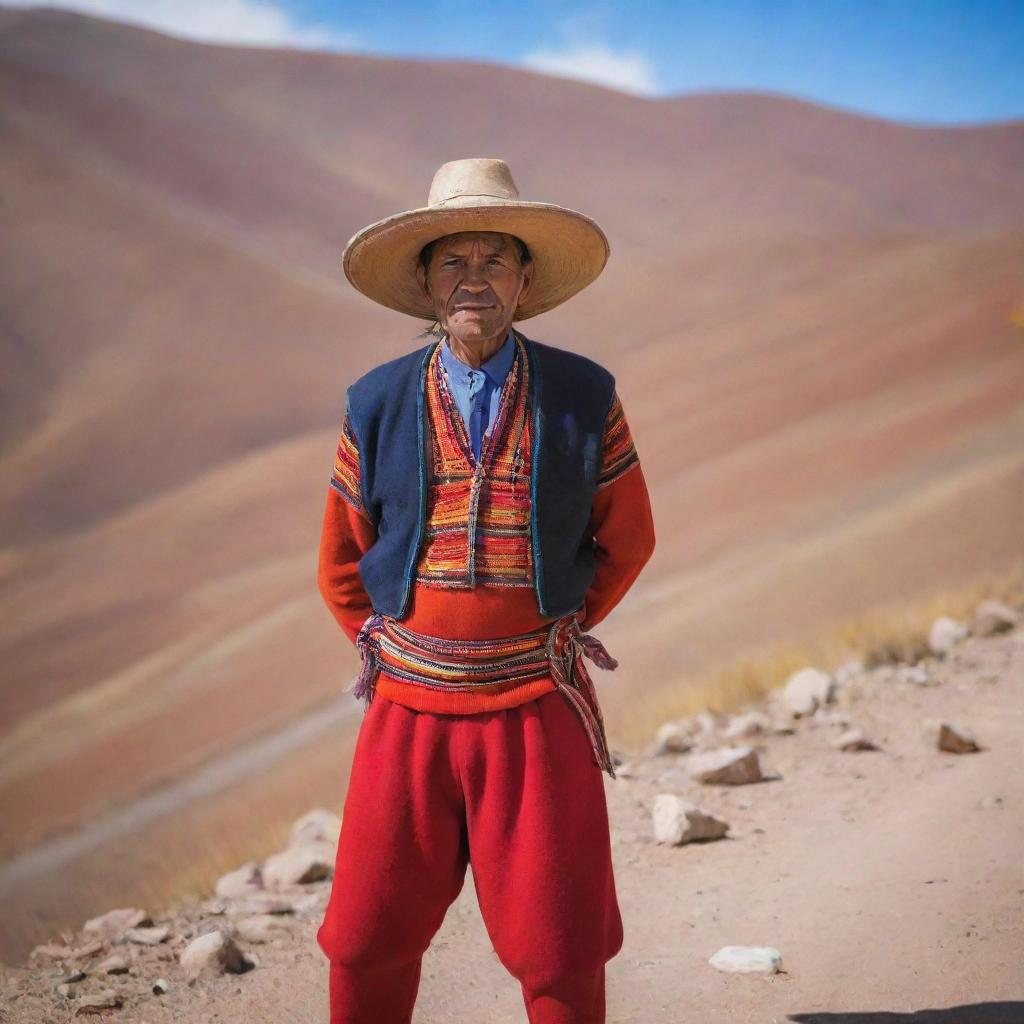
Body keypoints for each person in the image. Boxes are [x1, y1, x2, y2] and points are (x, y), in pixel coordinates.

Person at [315, 157, 656, 1024]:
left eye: (494, 260)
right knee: (363, 936)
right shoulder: (376, 402)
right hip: (408, 709)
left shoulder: (585, 397)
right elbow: (341, 561)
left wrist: (548, 632)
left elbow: (629, 537)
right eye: (453, 263)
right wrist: (398, 641)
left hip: (538, 705)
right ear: (427, 282)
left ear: (525, 279)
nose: (475, 280)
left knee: (560, 944)